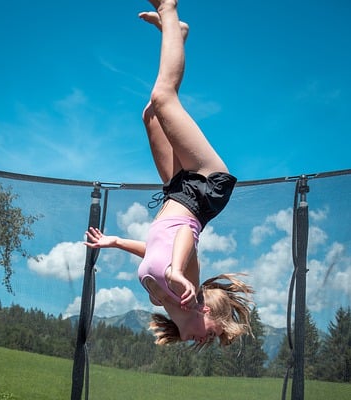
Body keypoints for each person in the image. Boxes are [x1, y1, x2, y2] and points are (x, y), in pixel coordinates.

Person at [85, 0, 253, 348]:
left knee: (150, 114)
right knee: (163, 97)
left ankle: (175, 35)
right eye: (214, 334)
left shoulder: (163, 298)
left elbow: (155, 249)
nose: (205, 341)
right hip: (205, 187)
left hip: (176, 191)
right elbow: (184, 236)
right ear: (209, 312)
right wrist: (177, 271)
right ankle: (169, 8)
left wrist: (115, 242)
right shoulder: (186, 289)